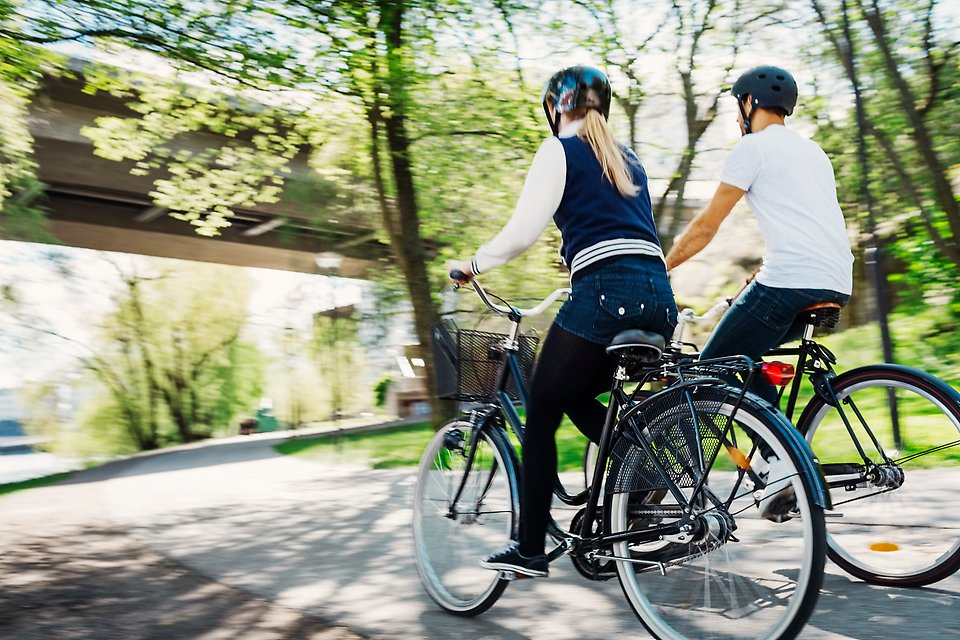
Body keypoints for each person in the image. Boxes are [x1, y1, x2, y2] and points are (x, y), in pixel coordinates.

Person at [447, 65, 677, 577]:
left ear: (555, 108)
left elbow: (521, 233)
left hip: (603, 297)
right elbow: (617, 226)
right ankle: (647, 465)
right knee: (574, 393)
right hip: (660, 299)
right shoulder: (628, 158)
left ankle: (529, 547)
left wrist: (473, 265)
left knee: (542, 417)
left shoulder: (559, 148)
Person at [665, 65, 854, 519]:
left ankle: (776, 463)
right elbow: (807, 223)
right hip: (835, 278)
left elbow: (708, 224)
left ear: (748, 103)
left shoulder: (751, 148)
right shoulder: (814, 152)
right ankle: (781, 460)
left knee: (707, 370)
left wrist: (661, 266)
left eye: (737, 106)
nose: (737, 115)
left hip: (790, 278)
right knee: (749, 363)